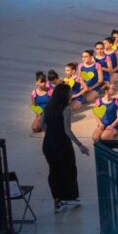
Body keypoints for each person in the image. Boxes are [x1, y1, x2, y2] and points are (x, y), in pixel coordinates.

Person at [42, 84, 88, 213]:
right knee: (69, 169)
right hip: (62, 144)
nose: (71, 94)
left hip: (48, 144)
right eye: (69, 92)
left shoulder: (47, 106)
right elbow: (67, 131)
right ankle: (69, 197)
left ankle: (57, 199)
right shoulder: (66, 109)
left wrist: (51, 133)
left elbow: (42, 124)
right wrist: (80, 145)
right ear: (64, 95)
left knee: (54, 170)